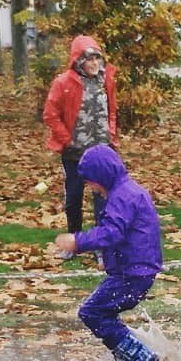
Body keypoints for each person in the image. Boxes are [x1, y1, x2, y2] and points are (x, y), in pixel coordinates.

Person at [54, 145, 164, 361]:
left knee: (92, 312)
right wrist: (110, 260)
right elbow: (130, 234)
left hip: (133, 273)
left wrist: (77, 241)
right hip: (136, 270)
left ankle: (140, 357)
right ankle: (129, 357)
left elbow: (112, 232)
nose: (91, 188)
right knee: (102, 313)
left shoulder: (122, 197)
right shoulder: (128, 191)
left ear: (102, 175)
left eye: (91, 182)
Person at [43, 35, 117, 235]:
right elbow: (50, 115)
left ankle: (101, 244)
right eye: (88, 59)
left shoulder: (106, 80)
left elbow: (112, 109)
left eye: (96, 58)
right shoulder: (63, 83)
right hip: (74, 153)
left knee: (103, 200)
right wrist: (68, 140)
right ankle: (74, 239)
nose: (94, 63)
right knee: (74, 198)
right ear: (78, 61)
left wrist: (111, 133)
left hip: (101, 152)